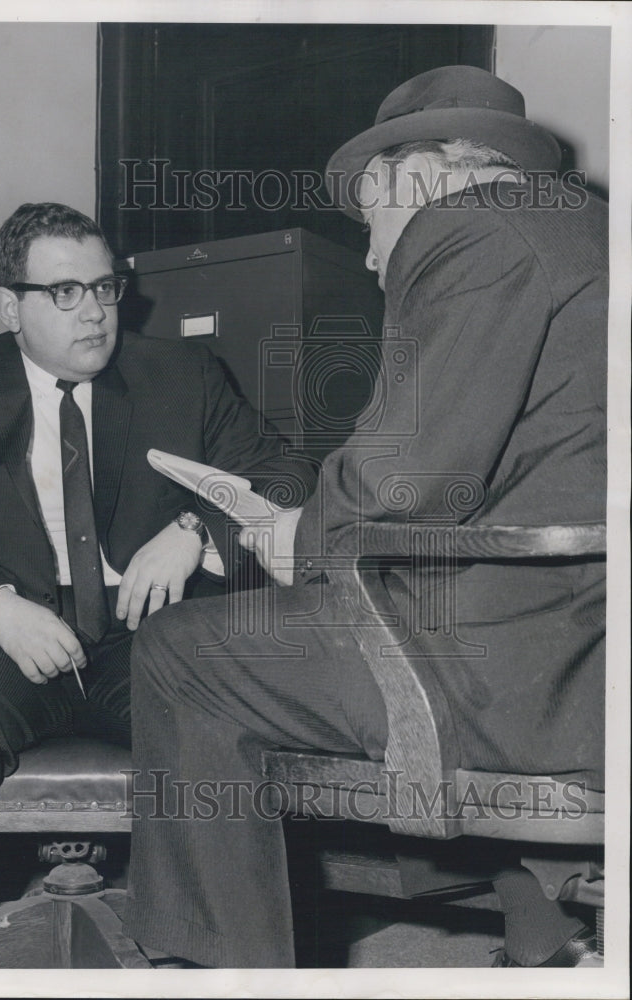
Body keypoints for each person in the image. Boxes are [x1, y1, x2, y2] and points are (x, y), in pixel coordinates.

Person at [121, 65, 606, 967]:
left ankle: (216, 967)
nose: (377, 254)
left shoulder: (470, 229)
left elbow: (403, 480)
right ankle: (546, 940)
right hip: (592, 649)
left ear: (405, 176)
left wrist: (294, 535)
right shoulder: (591, 231)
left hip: (531, 674)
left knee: (185, 651)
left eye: (371, 219)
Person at [0, 201, 317, 968]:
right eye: (65, 293)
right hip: (1, 642)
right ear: (12, 306)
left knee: (224, 712)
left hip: (151, 637)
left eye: (105, 288)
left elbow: (285, 473)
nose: (95, 313)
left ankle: (227, 971)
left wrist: (197, 529)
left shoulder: (182, 374)